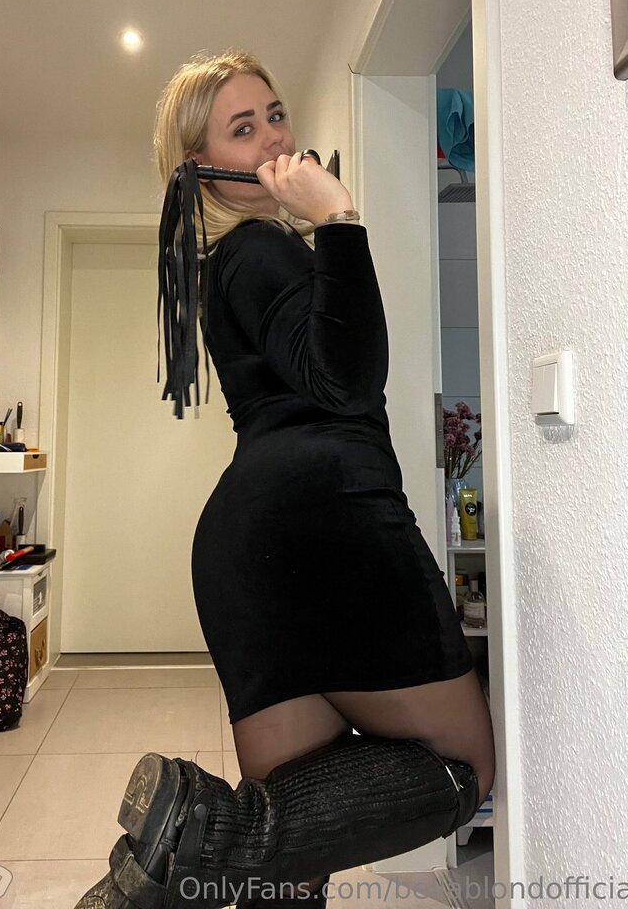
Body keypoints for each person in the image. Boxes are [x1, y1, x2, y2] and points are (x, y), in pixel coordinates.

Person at [74, 50, 495, 909]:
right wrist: (337, 215)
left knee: (294, 862)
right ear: (200, 169)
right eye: (243, 128)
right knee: (464, 767)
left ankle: (194, 844)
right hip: (328, 523)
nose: (273, 138)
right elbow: (346, 383)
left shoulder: (225, 264)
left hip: (250, 548)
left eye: (275, 114)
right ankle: (208, 835)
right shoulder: (258, 246)